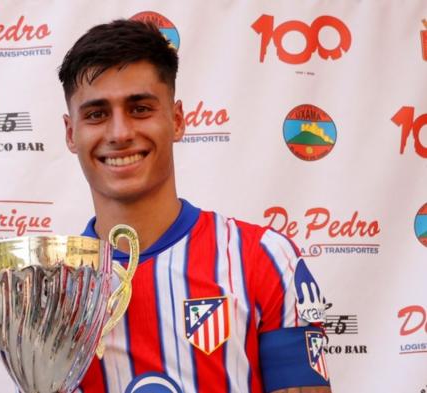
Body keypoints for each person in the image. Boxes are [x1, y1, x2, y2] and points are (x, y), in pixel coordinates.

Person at [58, 20, 331, 393]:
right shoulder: (48, 291)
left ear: (178, 120)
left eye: (139, 108)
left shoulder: (263, 258)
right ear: (71, 133)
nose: (119, 133)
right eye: (96, 114)